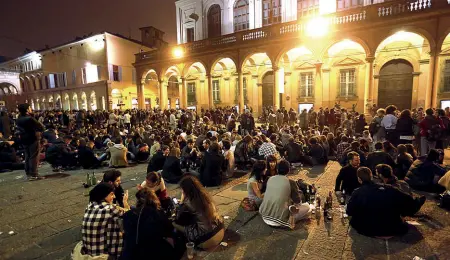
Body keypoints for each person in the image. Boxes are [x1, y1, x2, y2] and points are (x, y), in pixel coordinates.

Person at [346, 167, 425, 238]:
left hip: (367, 229)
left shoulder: (357, 192)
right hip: (392, 227)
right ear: (371, 177)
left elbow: (349, 211)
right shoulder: (388, 188)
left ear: (359, 179)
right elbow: (407, 201)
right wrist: (417, 201)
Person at [121, 188, 185, 260]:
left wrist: (125, 204)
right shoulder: (158, 214)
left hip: (130, 254)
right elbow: (169, 231)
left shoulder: (128, 215)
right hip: (152, 253)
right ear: (154, 199)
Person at [75, 182, 129, 259]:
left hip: (89, 251)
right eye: (111, 194)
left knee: (113, 224)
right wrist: (125, 202)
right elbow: (129, 214)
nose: (114, 196)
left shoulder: (90, 205)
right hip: (103, 255)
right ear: (103, 195)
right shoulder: (109, 209)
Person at [173, 175, 224, 249]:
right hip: (219, 228)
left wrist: (181, 202)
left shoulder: (189, 202)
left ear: (185, 190)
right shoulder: (204, 195)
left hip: (207, 238)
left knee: (174, 224)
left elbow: (179, 218)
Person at [259, 160, 311, 229]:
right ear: (288, 170)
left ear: (277, 169)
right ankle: (290, 220)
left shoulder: (269, 179)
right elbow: (298, 202)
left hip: (265, 216)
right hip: (279, 221)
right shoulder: (291, 182)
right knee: (307, 207)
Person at [16, 103, 45, 180]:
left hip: (24, 139)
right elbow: (41, 127)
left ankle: (28, 173)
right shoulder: (30, 118)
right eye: (29, 107)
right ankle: (34, 174)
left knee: (27, 156)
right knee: (34, 156)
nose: (31, 109)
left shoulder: (19, 118)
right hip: (33, 138)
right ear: (26, 110)